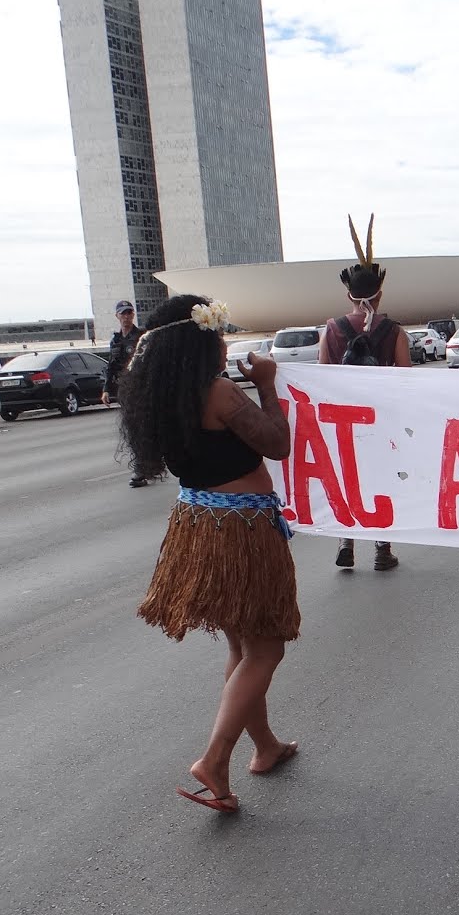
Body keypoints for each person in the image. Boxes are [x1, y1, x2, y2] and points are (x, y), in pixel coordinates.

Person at [118, 293, 300, 815]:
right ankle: (214, 758)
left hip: (197, 524)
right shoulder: (217, 393)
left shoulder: (161, 396)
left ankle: (264, 747)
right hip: (240, 528)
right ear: (197, 342)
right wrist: (266, 384)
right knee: (266, 649)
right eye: (217, 336)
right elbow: (276, 443)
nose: (223, 344)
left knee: (242, 647)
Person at [319, 215, 409, 571]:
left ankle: (346, 541)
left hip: (344, 418)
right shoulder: (394, 331)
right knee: (379, 479)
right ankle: (382, 548)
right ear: (380, 294)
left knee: (348, 477)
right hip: (381, 418)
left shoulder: (331, 329)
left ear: (349, 295)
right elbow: (406, 380)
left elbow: (322, 376)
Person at [104, 299, 151, 487]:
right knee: (133, 428)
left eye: (129, 313)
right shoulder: (115, 340)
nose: (126, 316)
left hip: (141, 390)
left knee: (143, 428)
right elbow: (111, 366)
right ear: (117, 316)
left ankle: (145, 465)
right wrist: (106, 389)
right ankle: (142, 466)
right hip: (125, 391)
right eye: (123, 313)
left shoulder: (142, 337)